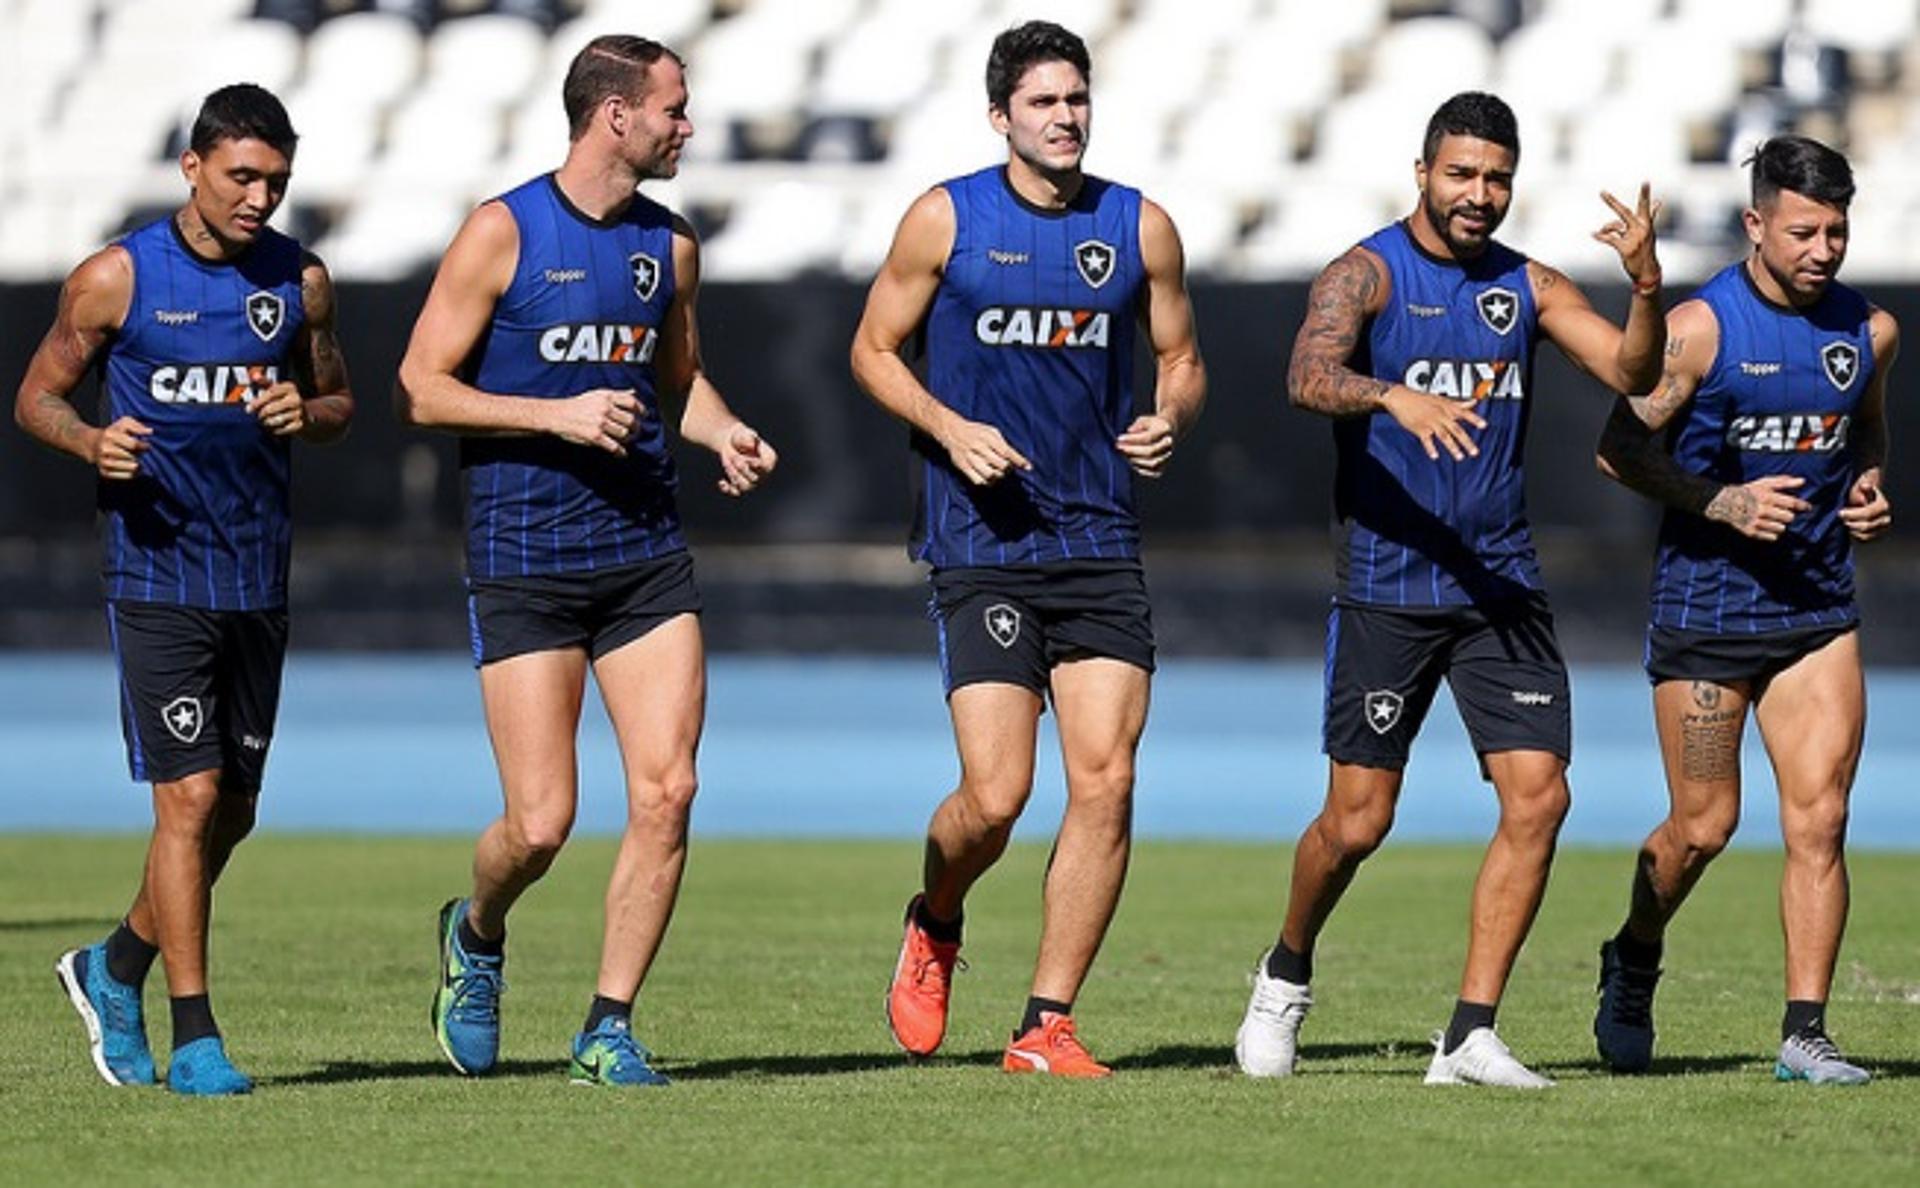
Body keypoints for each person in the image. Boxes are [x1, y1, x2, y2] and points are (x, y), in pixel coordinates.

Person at [1233, 91, 1665, 1088]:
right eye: (1462, 174)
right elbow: (1306, 374)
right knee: (1357, 823)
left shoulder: (1531, 285)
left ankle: (1469, 1034)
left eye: (1497, 178)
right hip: (1389, 584)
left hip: (1500, 587)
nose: (1480, 195)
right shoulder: (1367, 273)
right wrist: (1391, 394)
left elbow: (1632, 374)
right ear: (1423, 173)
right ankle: (1284, 973)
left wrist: (1644, 286)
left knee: (1539, 797)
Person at [396, 34, 776, 1088]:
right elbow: (420, 387)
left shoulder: (672, 246)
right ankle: (476, 933)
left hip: (645, 558)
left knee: (669, 789)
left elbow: (676, 383)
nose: (687, 126)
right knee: (539, 822)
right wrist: (551, 416)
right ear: (616, 116)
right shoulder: (501, 232)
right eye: (674, 108)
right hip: (524, 559)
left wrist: (725, 430)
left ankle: (607, 1025)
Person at [851, 20, 1205, 1079]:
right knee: (997, 797)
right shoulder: (944, 218)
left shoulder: (1140, 228)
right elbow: (871, 350)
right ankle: (937, 915)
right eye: (1044, 102)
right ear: (1001, 115)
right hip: (982, 539)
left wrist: (1170, 415)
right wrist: (948, 429)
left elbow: (1182, 358)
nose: (1066, 117)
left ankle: (1046, 1025)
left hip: (1098, 537)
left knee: (1105, 779)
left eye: (1077, 99)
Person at [17, 84, 354, 1095]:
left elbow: (338, 398)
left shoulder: (299, 281)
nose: (259, 197)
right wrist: (88, 438)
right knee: (190, 797)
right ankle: (194, 1035)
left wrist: (312, 407)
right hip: (157, 571)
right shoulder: (115, 279)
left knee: (233, 813)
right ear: (193, 168)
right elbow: (37, 394)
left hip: (257, 570)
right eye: (243, 176)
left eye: (277, 181)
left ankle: (112, 965)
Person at [1591, 136, 1894, 1086]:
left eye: (1838, 230)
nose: (1824, 249)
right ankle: (1634, 954)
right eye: (1804, 230)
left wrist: (1870, 484)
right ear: (1757, 224)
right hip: (1707, 619)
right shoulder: (1700, 330)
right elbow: (1618, 453)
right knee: (1703, 827)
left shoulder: (1869, 332)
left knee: (1822, 818)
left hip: (1816, 611)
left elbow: (1865, 423)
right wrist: (1721, 500)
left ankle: (1806, 1032)